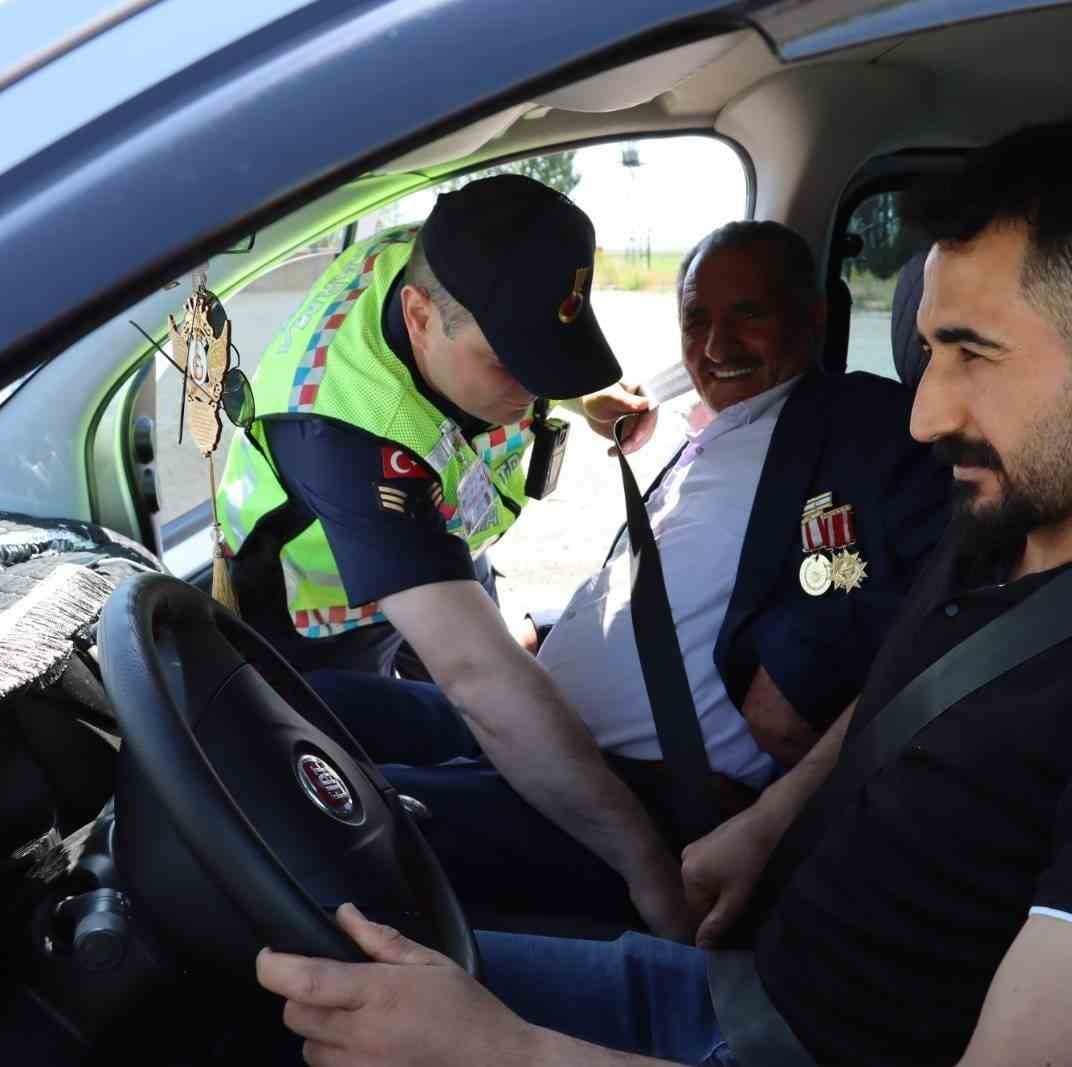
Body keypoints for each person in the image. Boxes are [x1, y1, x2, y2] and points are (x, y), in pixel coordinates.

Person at [255, 115, 1072, 1067]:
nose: (923, 414)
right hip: (743, 972)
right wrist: (772, 823)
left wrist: (511, 1053)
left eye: (971, 353)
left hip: (782, 1040)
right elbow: (905, 683)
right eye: (925, 349)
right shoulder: (1021, 515)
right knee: (263, 980)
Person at [351, 221, 947, 922]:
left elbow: (912, 608)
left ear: (812, 317)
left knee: (335, 820)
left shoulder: (865, 429)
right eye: (696, 319)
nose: (716, 346)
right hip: (534, 732)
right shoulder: (713, 433)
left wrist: (795, 673)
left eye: (746, 315)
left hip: (633, 799)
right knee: (316, 705)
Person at [214, 174, 688, 938]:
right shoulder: (343, 433)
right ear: (419, 317)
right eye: (517, 364)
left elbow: (508, 324)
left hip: (429, 535)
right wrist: (647, 864)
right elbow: (476, 677)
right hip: (315, 631)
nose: (533, 387)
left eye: (549, 355)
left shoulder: (442, 264)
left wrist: (574, 390)